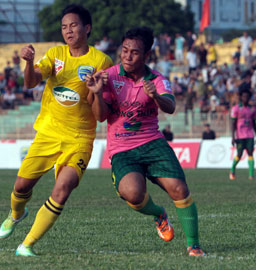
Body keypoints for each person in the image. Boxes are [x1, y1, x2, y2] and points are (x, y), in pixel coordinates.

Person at [0, 4, 113, 257]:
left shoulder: (101, 61)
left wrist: (96, 93)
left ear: (87, 28)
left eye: (73, 25)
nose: (68, 31)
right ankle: (17, 214)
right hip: (48, 133)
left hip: (80, 138)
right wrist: (28, 62)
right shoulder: (56, 54)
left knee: (63, 188)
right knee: (21, 187)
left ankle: (26, 245)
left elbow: (100, 115)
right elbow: (30, 83)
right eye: (64, 27)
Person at [86, 27, 205, 256]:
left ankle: (194, 245)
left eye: (135, 52)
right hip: (122, 148)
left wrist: (156, 96)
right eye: (125, 50)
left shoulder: (157, 79)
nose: (128, 56)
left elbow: (170, 107)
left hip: (152, 143)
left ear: (146, 56)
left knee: (179, 189)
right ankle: (159, 214)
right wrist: (98, 93)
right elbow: (100, 116)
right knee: (132, 193)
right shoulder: (109, 76)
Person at [230, 90, 256, 180]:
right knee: (239, 154)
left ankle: (251, 175)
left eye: (247, 97)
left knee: (250, 153)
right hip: (240, 136)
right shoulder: (236, 108)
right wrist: (233, 137)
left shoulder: (252, 109)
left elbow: (254, 123)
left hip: (250, 135)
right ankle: (232, 169)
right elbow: (233, 124)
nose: (246, 98)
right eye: (244, 96)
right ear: (241, 97)